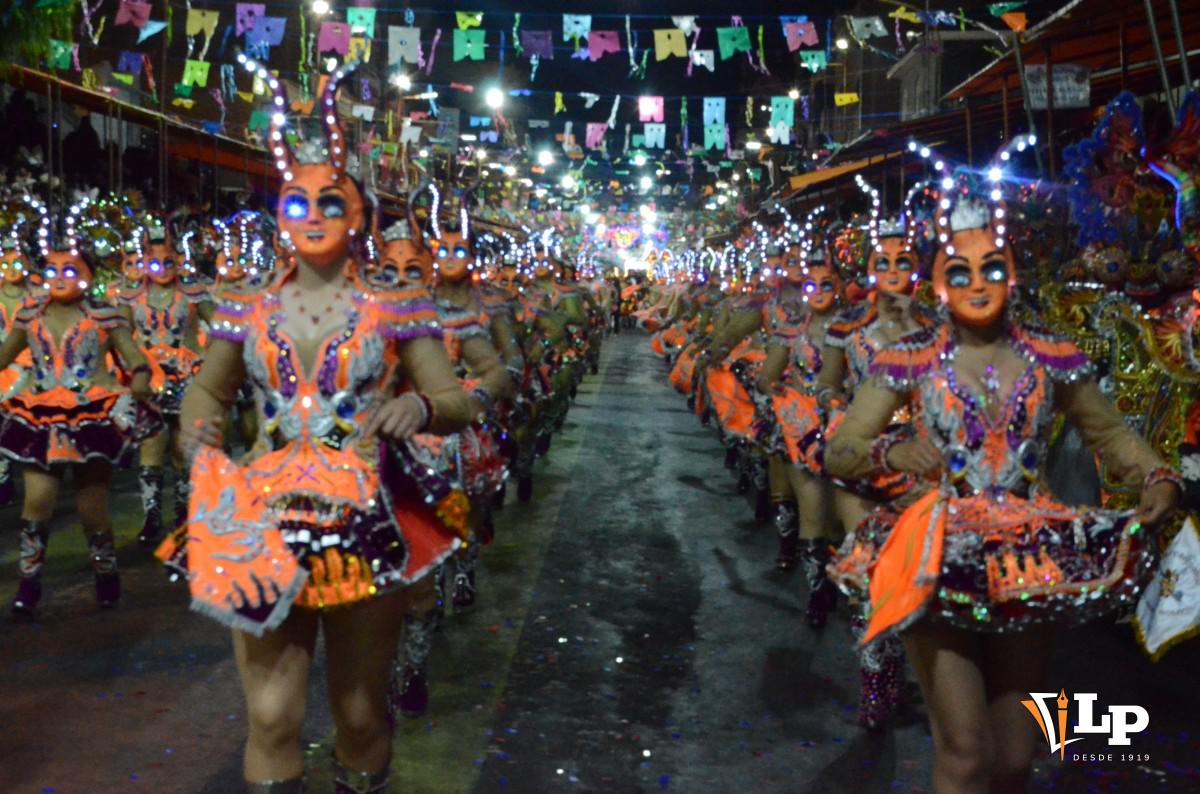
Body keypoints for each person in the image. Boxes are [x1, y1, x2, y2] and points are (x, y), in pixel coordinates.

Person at [825, 155, 1180, 793]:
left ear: (1011, 272)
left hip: (1029, 556)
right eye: (958, 271)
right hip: (938, 552)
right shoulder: (911, 357)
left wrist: (1157, 475)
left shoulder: (1051, 353)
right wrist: (893, 454)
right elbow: (842, 448)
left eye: (991, 268)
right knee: (965, 754)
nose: (977, 283)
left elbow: (1109, 433)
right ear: (938, 282)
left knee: (1015, 757)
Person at [165, 60, 470, 793]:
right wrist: (196, 430)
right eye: (296, 203)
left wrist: (419, 408)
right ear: (280, 214)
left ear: (357, 215)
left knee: (359, 715)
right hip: (260, 512)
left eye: (329, 202)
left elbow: (454, 396)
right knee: (271, 716)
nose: (312, 215)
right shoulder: (244, 305)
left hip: (363, 513)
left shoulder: (395, 305)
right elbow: (207, 388)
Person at [0, 197, 158, 615]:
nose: (59, 277)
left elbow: (134, 357)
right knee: (38, 503)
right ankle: (29, 584)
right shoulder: (29, 315)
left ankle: (106, 575)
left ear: (90, 275)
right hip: (39, 416)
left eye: (70, 270)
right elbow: (3, 356)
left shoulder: (106, 316)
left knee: (91, 507)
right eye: (51, 270)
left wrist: (140, 381)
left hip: (92, 416)